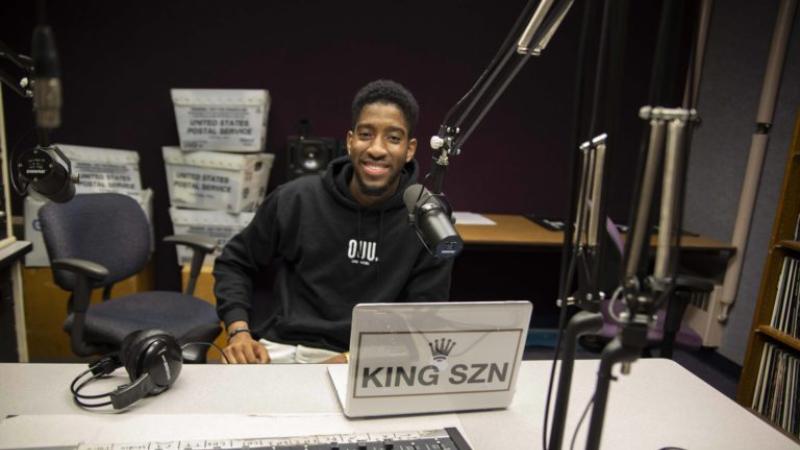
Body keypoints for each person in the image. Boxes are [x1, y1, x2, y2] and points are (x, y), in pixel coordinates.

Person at [213, 79, 453, 364]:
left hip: (364, 359)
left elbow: (423, 316)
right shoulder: (295, 199)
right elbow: (234, 262)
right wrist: (239, 331)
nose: (377, 148)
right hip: (280, 348)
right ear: (350, 141)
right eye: (366, 134)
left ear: (410, 149)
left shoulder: (429, 218)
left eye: (393, 137)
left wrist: (351, 360)